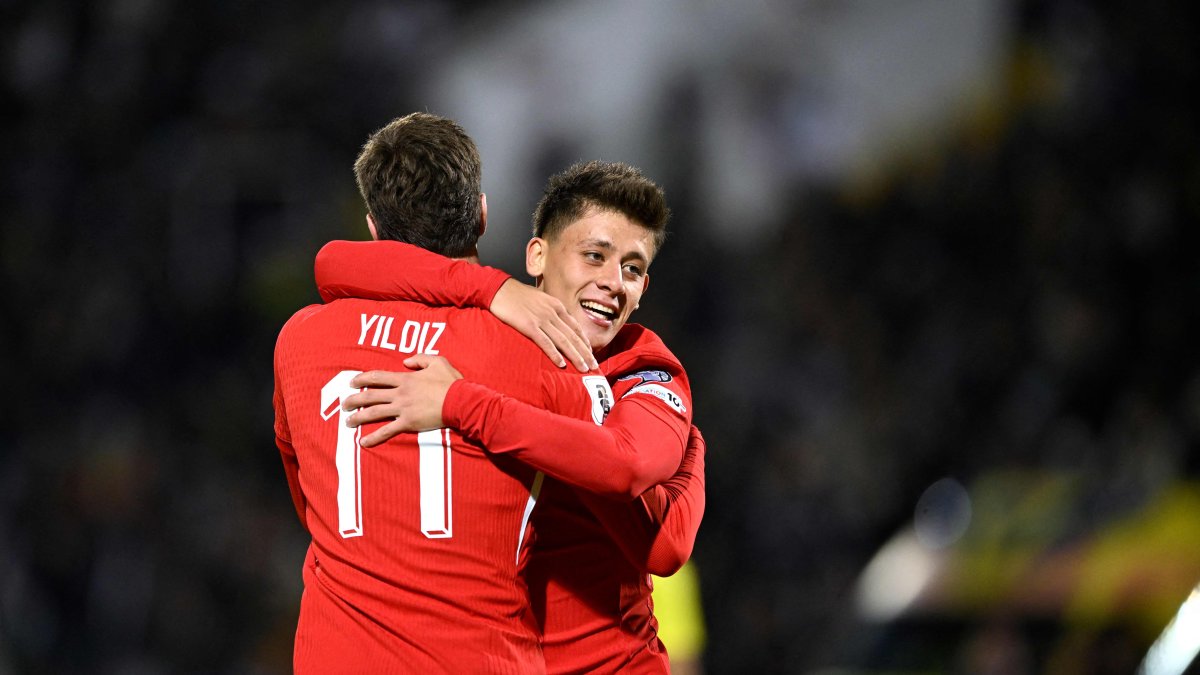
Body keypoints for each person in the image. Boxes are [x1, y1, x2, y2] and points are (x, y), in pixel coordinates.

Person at [272, 115, 684, 674]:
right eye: (594, 256)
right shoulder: (544, 357)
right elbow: (656, 526)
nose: (612, 281)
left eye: (631, 268)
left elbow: (308, 501)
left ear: (371, 227)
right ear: (484, 216)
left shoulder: (300, 340)